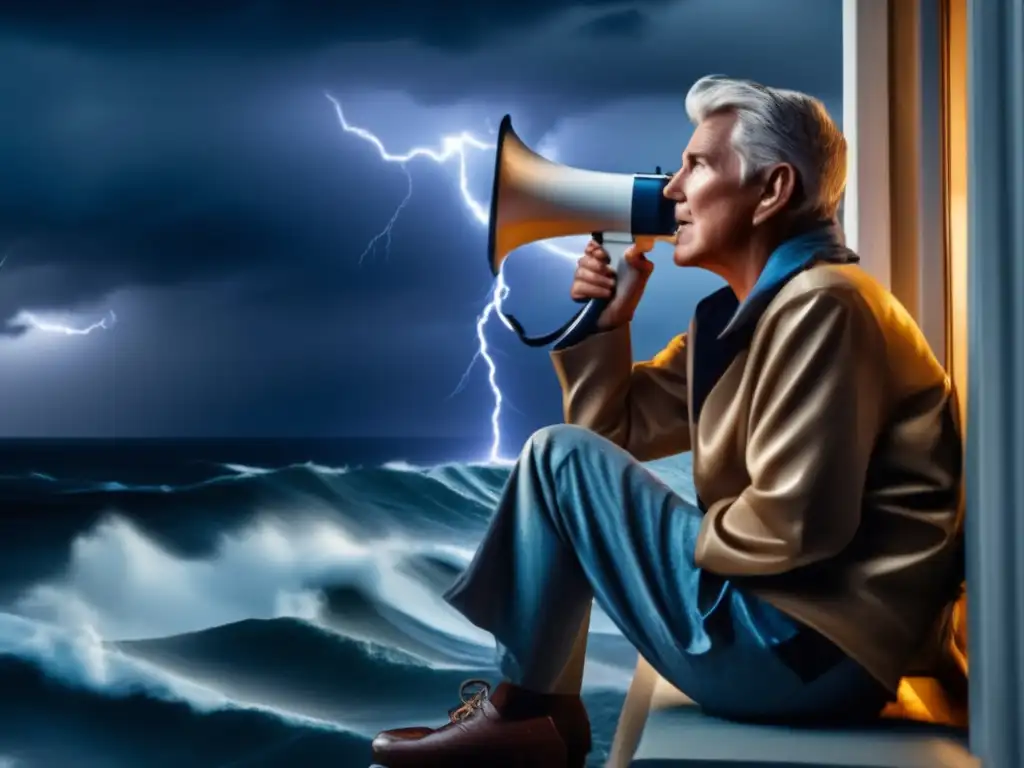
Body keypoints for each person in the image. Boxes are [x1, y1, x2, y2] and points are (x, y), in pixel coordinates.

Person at [370, 75, 965, 768]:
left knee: (555, 456)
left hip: (807, 654)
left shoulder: (825, 305)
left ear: (772, 191)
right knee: (564, 459)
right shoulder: (741, 316)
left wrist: (649, 539)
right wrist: (608, 323)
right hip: (789, 638)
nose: (670, 189)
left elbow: (796, 525)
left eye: (698, 164)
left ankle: (525, 713)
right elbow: (610, 434)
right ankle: (534, 714)